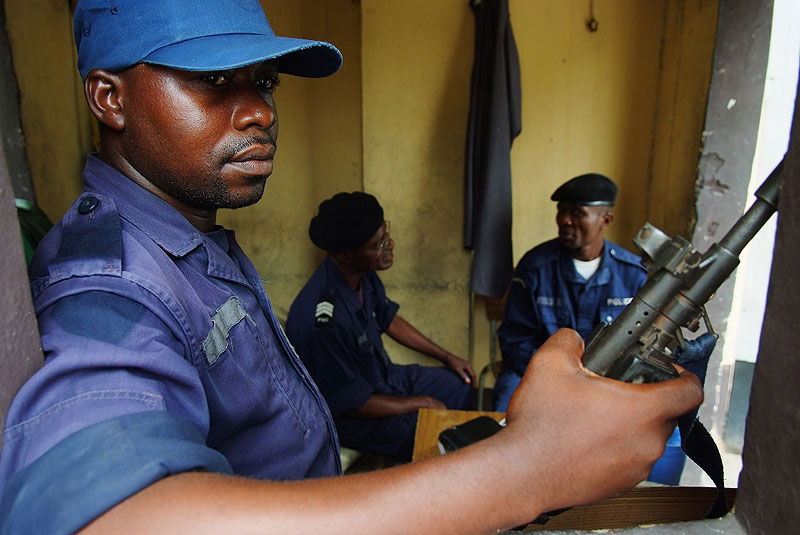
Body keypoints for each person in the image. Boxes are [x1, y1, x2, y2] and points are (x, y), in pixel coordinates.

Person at [0, 2, 704, 534]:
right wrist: (524, 469)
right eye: (213, 81)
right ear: (110, 99)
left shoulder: (195, 237)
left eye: (265, 82)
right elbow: (108, 517)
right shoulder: (106, 284)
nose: (259, 113)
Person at [285, 192, 475, 462]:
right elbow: (352, 403)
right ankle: (429, 488)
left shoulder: (362, 275)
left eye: (386, 235)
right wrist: (419, 403)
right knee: (424, 428)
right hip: (349, 415)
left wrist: (447, 357)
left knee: (458, 384)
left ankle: (448, 461)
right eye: (378, 244)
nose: (390, 245)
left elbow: (389, 319)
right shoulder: (324, 323)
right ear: (346, 255)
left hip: (381, 378)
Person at [494, 174, 647, 411]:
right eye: (561, 211)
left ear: (605, 219)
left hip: (607, 380)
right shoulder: (536, 267)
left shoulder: (633, 274)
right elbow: (515, 340)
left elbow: (642, 343)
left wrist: (593, 382)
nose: (564, 220)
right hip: (538, 376)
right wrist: (557, 378)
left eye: (576, 213)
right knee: (505, 416)